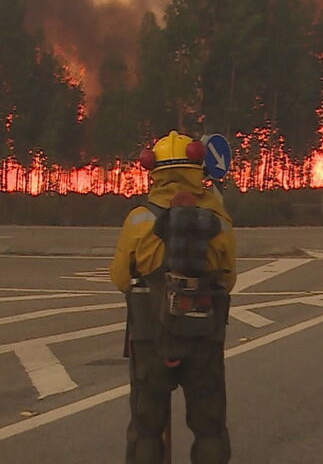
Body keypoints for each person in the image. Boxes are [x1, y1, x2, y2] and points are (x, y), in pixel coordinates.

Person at [110, 130, 236, 464]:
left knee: (146, 427)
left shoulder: (138, 219)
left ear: (154, 170)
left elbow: (120, 277)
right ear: (199, 167)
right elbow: (229, 278)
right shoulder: (219, 220)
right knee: (210, 427)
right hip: (204, 339)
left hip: (151, 339)